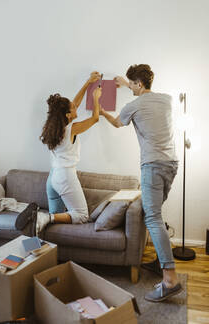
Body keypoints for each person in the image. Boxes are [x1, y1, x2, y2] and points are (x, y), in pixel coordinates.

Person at [99, 64, 182, 302]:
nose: (130, 88)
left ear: (139, 84)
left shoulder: (133, 106)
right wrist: (126, 84)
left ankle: (170, 280)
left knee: (152, 216)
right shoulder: (166, 100)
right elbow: (144, 95)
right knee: (154, 212)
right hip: (171, 164)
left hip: (152, 166)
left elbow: (117, 123)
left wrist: (102, 112)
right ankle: (160, 261)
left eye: (131, 84)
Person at [15, 71, 102, 235]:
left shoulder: (54, 125)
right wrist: (96, 98)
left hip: (53, 178)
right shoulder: (72, 129)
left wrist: (88, 83)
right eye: (73, 108)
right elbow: (95, 118)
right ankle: (42, 216)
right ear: (68, 115)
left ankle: (41, 231)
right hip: (65, 177)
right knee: (82, 215)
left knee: (52, 226)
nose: (76, 106)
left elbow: (74, 102)